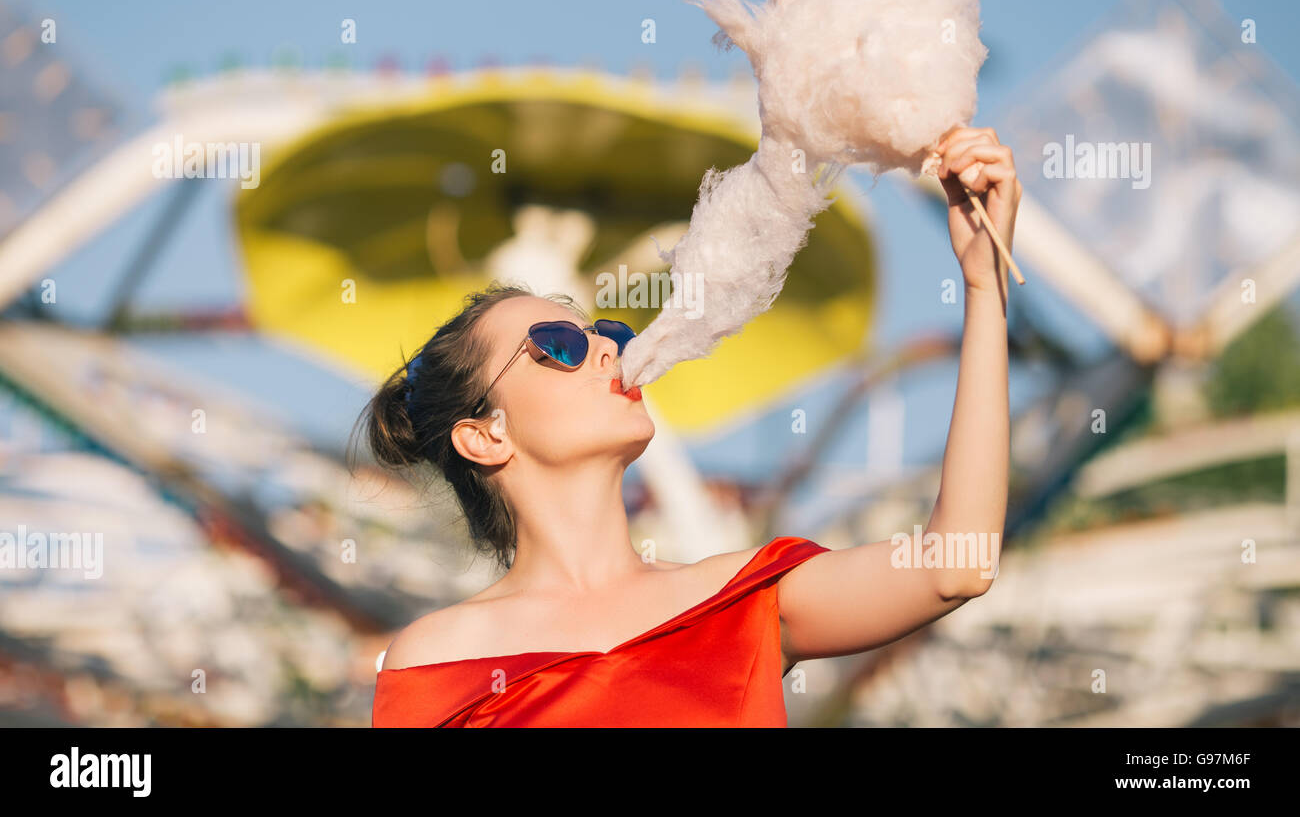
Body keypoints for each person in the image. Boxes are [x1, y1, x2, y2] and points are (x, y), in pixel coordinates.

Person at [359, 126, 1019, 726]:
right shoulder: (436, 660)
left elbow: (953, 566)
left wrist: (985, 289)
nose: (608, 347)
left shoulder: (737, 601)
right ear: (484, 435)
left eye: (608, 331)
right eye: (558, 343)